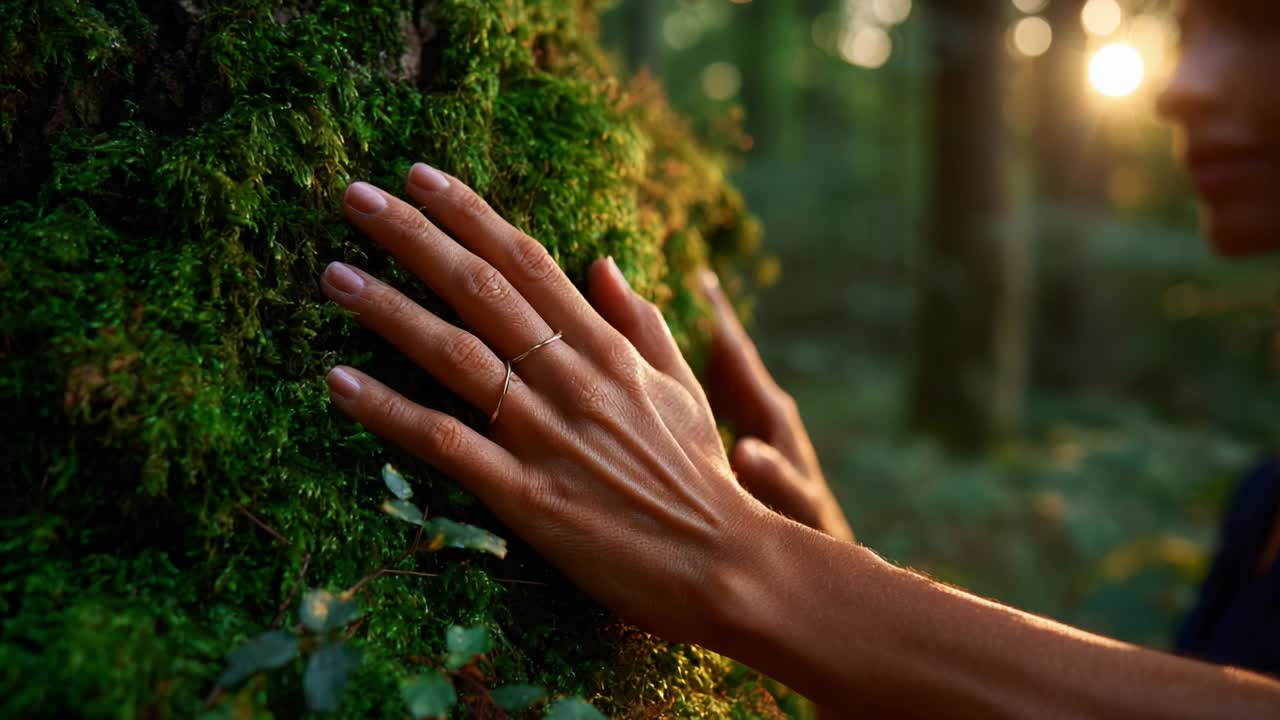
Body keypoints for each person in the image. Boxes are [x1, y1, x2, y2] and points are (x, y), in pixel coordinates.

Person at [318, 0, 1280, 715]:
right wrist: (839, 565)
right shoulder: (1263, 500)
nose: (1182, 82)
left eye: (1260, 22)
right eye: (1195, 26)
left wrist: (749, 563)